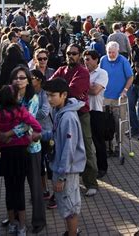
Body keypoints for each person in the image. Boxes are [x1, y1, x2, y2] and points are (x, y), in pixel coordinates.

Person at [0, 85, 42, 236]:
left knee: (9, 189)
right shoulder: (21, 111)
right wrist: (28, 137)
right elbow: (36, 125)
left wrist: (2, 144)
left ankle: (12, 223)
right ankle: (22, 226)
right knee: (20, 189)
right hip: (21, 154)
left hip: (6, 154)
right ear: (14, 98)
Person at [51, 44, 99, 197]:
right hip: (62, 114)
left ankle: (91, 182)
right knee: (62, 145)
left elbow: (73, 91)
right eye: (68, 53)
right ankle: (70, 178)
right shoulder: (62, 69)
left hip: (80, 115)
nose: (70, 55)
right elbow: (52, 85)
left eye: (74, 53)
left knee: (85, 146)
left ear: (79, 55)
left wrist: (60, 89)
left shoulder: (83, 72)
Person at [42, 78, 86, 236]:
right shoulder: (59, 111)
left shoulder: (68, 118)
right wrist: (41, 135)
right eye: (47, 95)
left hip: (67, 171)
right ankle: (71, 231)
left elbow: (68, 150)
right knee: (65, 204)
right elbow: (56, 135)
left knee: (70, 206)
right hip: (61, 167)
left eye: (52, 95)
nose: (49, 99)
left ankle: (73, 233)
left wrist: (61, 177)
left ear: (64, 95)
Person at [99, 41, 134, 152]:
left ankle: (119, 145)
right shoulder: (103, 59)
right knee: (105, 123)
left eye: (113, 52)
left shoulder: (123, 61)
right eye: (109, 52)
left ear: (118, 51)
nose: (111, 55)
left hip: (119, 97)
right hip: (105, 96)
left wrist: (125, 90)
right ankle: (107, 145)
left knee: (119, 122)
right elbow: (99, 74)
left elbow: (130, 77)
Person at [83, 50, 109, 179]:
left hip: (96, 111)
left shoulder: (102, 73)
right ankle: (86, 167)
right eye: (85, 59)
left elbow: (95, 91)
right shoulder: (83, 72)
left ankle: (102, 168)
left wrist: (83, 85)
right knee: (84, 141)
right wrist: (89, 85)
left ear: (95, 60)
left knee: (98, 141)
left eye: (88, 59)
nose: (85, 62)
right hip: (83, 110)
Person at [30, 70, 53, 203]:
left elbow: (44, 112)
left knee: (50, 164)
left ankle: (56, 195)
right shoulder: (30, 94)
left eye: (31, 78)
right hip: (35, 134)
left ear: (39, 79)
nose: (28, 80)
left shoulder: (44, 94)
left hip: (47, 132)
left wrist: (29, 116)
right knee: (39, 166)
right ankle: (44, 191)